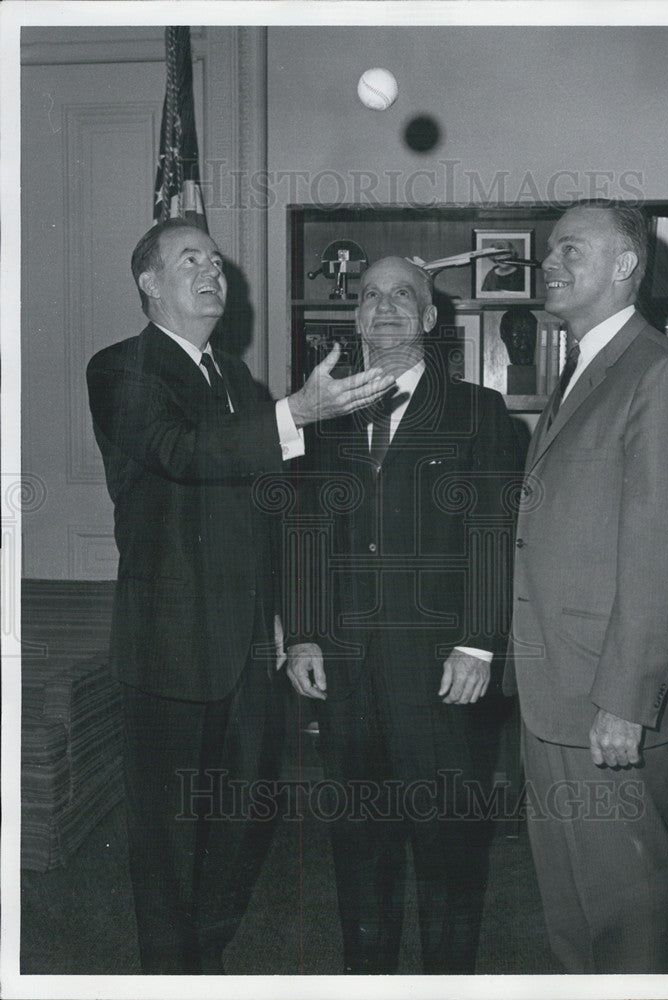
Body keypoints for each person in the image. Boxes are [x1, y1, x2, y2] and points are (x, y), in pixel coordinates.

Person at [86, 218, 394, 974]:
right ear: (148, 284)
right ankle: (170, 978)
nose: (212, 269)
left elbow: (270, 511)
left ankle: (205, 960)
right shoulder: (122, 369)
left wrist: (289, 617)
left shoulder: (236, 381)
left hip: (252, 648)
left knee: (245, 818)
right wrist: (296, 413)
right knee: (166, 841)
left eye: (216, 259)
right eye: (189, 258)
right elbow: (179, 454)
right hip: (168, 650)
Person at [285, 256, 524, 974]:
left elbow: (494, 533)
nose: (385, 307)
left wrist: (480, 645)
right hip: (349, 674)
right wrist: (300, 632)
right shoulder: (319, 415)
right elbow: (301, 533)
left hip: (445, 674)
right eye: (370, 297)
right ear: (355, 317)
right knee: (359, 847)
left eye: (404, 296)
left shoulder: (479, 414)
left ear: (429, 317)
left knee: (448, 850)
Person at [504, 202, 668, 973]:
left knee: (628, 915)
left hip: (605, 702)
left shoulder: (657, 374)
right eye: (548, 248)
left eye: (569, 249)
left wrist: (626, 699)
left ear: (626, 265)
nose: (548, 262)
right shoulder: (587, 364)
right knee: (573, 906)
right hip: (556, 688)